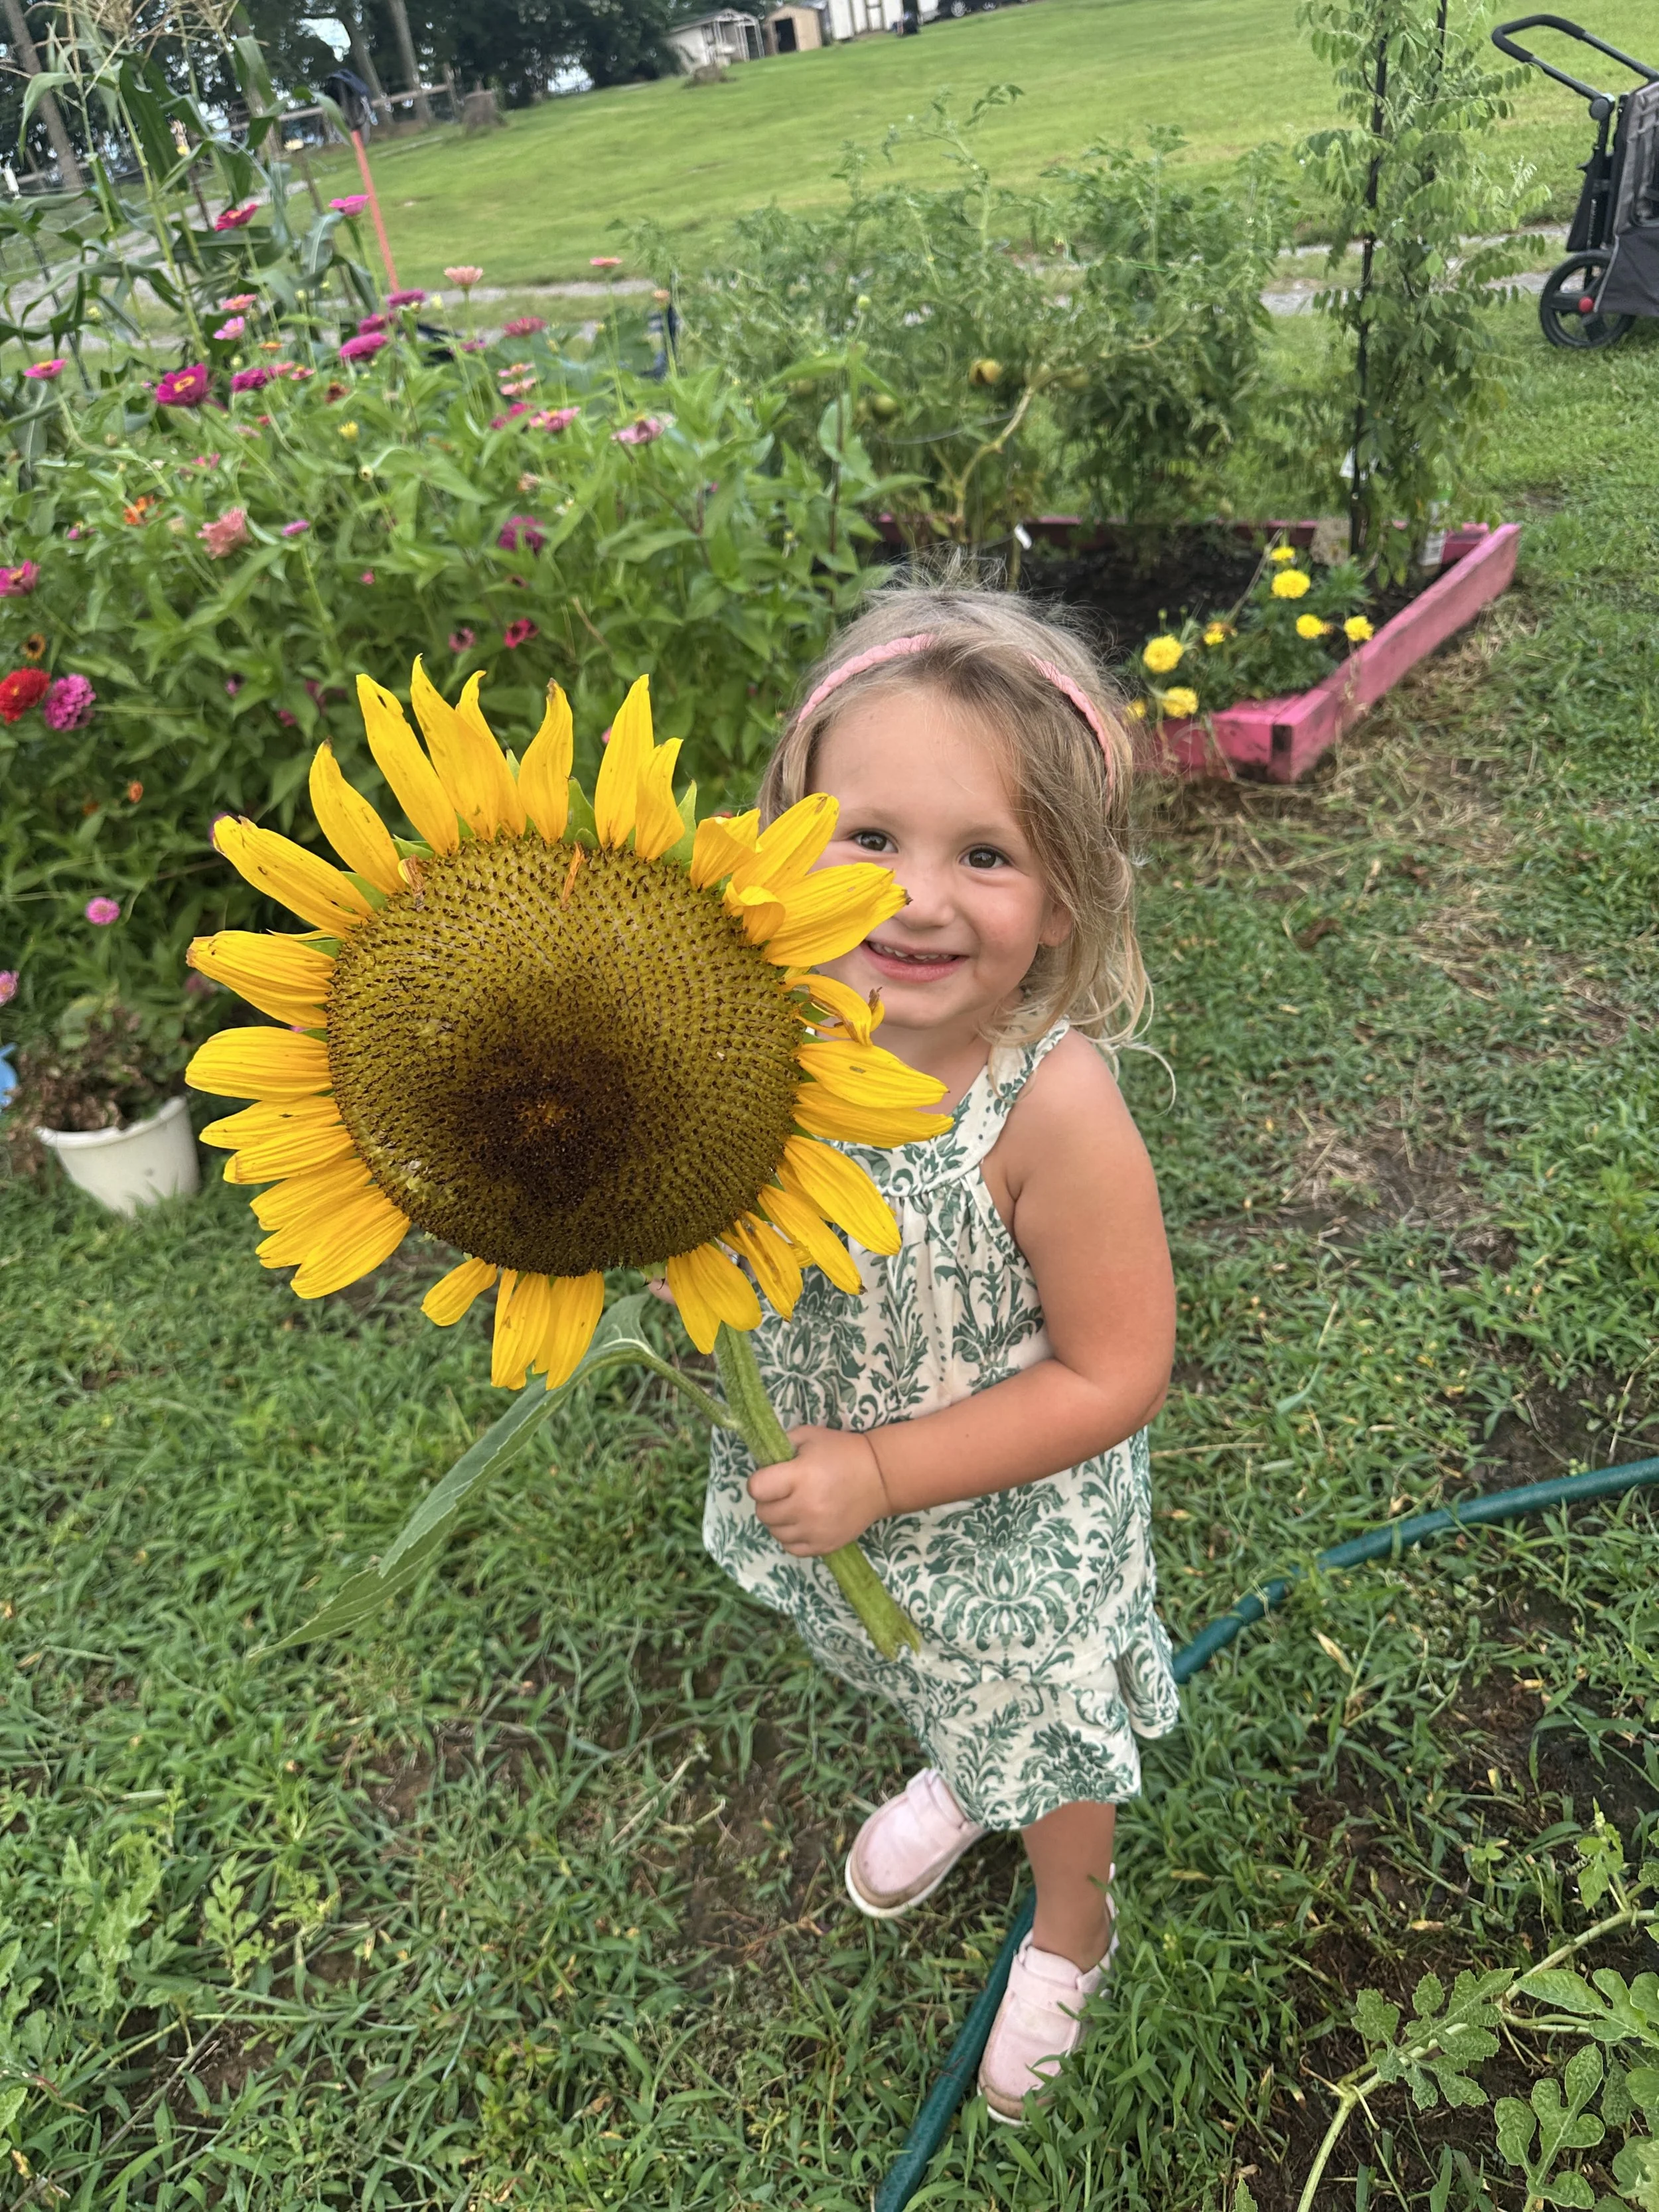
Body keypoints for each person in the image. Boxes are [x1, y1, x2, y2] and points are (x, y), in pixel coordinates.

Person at [701, 581, 1179, 2124]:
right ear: (785, 841)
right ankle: (963, 1772)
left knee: (1044, 1732)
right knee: (922, 1684)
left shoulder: (1049, 1105)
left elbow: (1112, 1374)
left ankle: (1069, 1923)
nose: (914, 898)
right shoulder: (762, 1035)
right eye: (867, 838)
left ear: (1063, 896)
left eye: (983, 855)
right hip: (849, 1506)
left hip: (1009, 1529)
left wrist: (883, 1470)